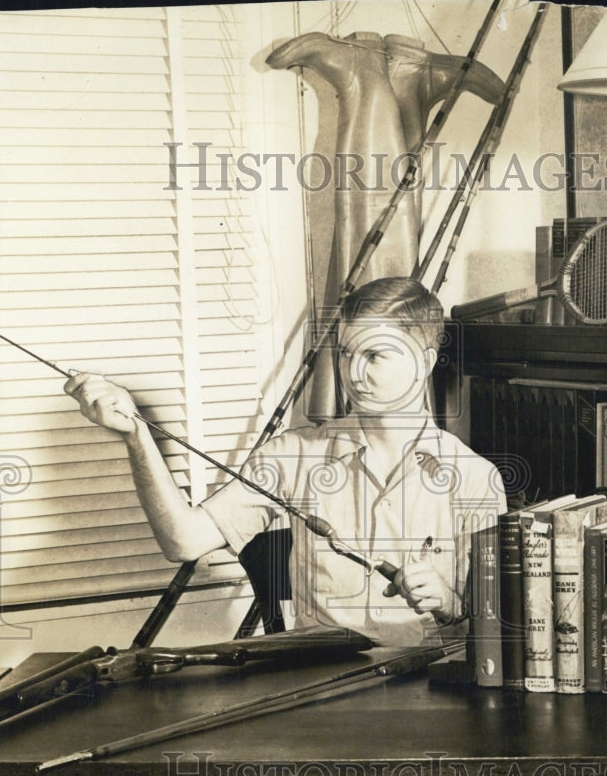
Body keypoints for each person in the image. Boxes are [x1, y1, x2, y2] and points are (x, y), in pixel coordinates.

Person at [64, 277, 506, 646]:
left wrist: (450, 602)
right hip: (324, 697)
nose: (352, 374)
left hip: (430, 696)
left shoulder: (474, 480)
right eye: (346, 353)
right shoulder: (294, 455)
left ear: (424, 362)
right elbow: (183, 541)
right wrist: (137, 435)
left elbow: (498, 630)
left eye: (374, 355)